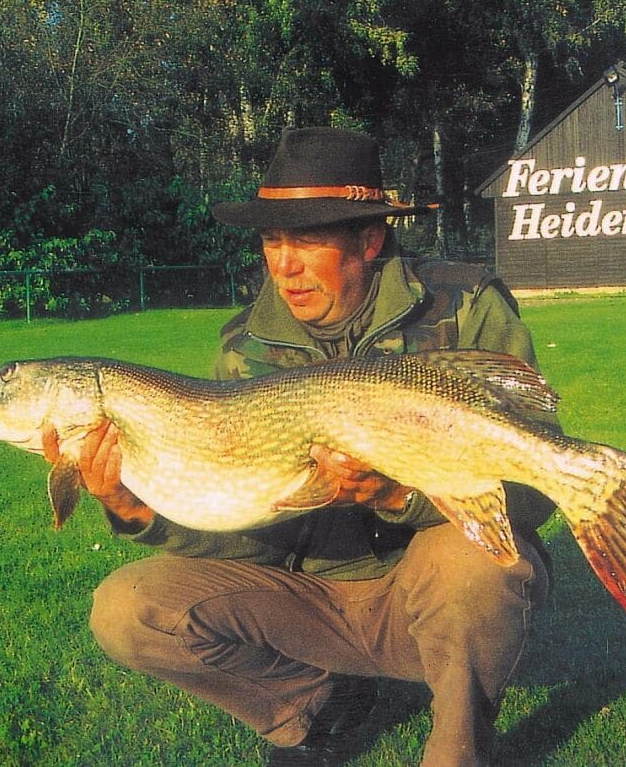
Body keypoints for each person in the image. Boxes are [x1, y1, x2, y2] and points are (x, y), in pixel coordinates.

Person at [43, 127, 556, 766]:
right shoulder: (244, 349)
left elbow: (533, 494)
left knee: (481, 562)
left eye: (306, 240)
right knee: (127, 610)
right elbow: (248, 535)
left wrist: (395, 495)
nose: (283, 265)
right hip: (311, 602)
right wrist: (131, 506)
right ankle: (315, 708)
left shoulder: (467, 308)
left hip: (425, 591)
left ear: (370, 240)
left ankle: (458, 748)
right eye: (271, 240)